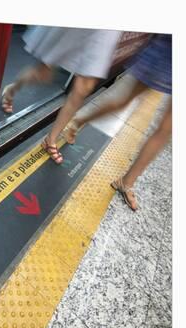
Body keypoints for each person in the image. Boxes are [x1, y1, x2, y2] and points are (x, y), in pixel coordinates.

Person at [66, 34, 172, 211]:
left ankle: (126, 182)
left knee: (167, 129)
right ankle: (80, 120)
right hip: (167, 53)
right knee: (125, 101)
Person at [1, 26, 122, 164]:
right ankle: (12, 90)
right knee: (42, 74)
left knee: (83, 89)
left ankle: (51, 139)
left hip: (105, 30)